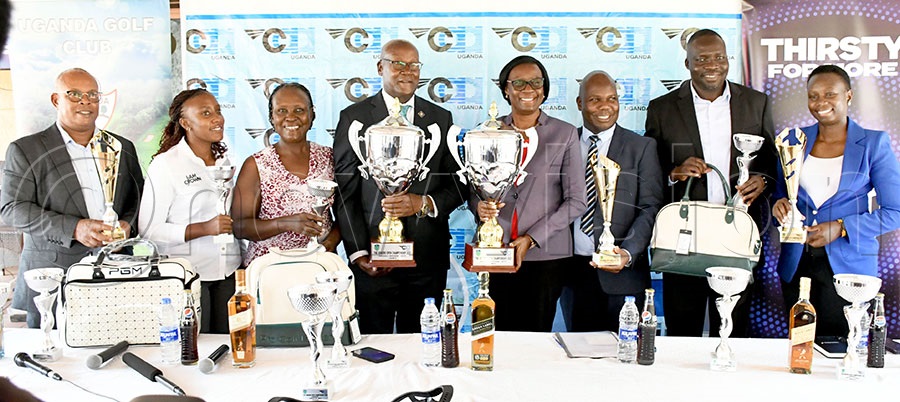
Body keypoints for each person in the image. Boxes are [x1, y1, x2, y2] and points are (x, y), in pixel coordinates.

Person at [645, 29, 778, 337]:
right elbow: (650, 167)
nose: (712, 65)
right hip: (685, 237)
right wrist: (675, 172)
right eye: (702, 59)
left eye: (719, 57)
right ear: (687, 63)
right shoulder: (662, 108)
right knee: (683, 330)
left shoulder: (755, 103)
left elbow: (772, 159)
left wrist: (763, 180)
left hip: (736, 235)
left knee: (732, 328)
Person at [332, 39, 464, 334]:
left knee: (421, 343)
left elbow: (457, 184)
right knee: (373, 345)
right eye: (398, 63)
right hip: (373, 257)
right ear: (380, 67)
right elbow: (344, 192)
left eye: (414, 65)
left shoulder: (440, 119)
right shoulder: (354, 118)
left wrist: (423, 203)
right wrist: (357, 252)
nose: (408, 71)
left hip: (426, 260)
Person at [0, 68, 144, 328]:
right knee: (55, 349)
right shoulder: (26, 149)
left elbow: (138, 200)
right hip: (53, 278)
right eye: (74, 94)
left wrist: (127, 225)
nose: (85, 102)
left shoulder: (121, 147)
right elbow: (12, 209)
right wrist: (74, 228)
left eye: (92, 95)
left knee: (118, 344)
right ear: (56, 100)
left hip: (115, 271)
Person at [774, 64, 900, 336]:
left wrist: (841, 227)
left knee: (843, 348)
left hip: (849, 266)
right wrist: (778, 205)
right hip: (797, 263)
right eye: (813, 96)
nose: (821, 103)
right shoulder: (793, 140)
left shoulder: (873, 143)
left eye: (830, 94)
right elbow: (782, 193)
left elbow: (895, 211)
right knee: (800, 347)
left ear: (848, 96)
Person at [474, 56, 585, 332]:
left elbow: (576, 201)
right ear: (506, 89)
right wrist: (479, 206)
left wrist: (532, 239)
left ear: (544, 89)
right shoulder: (488, 131)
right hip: (495, 251)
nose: (528, 89)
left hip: (546, 256)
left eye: (536, 82)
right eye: (519, 83)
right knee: (496, 333)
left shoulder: (564, 134)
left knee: (536, 336)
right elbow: (474, 188)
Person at [559, 71, 664, 332]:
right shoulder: (563, 144)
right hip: (573, 275)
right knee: (579, 352)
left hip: (624, 277)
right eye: (595, 99)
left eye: (612, 99)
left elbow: (650, 207)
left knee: (626, 352)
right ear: (580, 103)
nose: (605, 106)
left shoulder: (641, 147)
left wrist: (627, 253)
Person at [139, 88, 242, 334]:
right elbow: (149, 230)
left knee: (230, 344)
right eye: (206, 113)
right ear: (185, 123)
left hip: (229, 272)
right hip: (189, 277)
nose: (217, 118)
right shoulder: (166, 164)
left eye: (218, 111)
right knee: (196, 346)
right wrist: (204, 228)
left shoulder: (227, 160)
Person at [232, 83, 341, 267]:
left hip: (320, 266)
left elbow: (347, 214)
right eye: (281, 111)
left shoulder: (330, 158)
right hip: (269, 269)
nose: (290, 117)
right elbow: (240, 227)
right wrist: (286, 223)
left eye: (299, 110)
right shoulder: (256, 165)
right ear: (272, 117)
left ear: (312, 114)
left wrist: (330, 243)